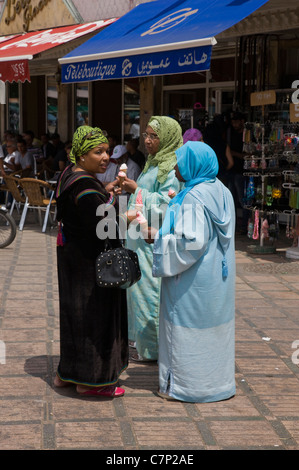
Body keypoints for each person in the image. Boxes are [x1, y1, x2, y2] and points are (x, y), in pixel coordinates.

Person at [149, 141, 236, 403]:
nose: (175, 168)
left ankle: (186, 388)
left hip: (192, 283)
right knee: (214, 333)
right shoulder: (220, 190)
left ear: (193, 165)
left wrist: (157, 240)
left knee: (186, 333)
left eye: (179, 162)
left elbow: (192, 242)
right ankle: (216, 384)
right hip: (217, 280)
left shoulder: (193, 198)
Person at [53, 125, 128, 397]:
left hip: (72, 260)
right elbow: (103, 225)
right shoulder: (85, 186)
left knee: (74, 317)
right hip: (90, 265)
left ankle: (67, 374)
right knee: (94, 319)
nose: (106, 157)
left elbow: (84, 209)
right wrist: (127, 217)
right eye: (98, 152)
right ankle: (91, 382)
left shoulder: (70, 174)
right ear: (81, 156)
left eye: (107, 150)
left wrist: (104, 192)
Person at [120, 116, 183, 362]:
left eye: (153, 136)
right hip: (138, 238)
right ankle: (141, 343)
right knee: (136, 292)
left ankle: (153, 349)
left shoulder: (172, 167)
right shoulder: (153, 163)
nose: (147, 140)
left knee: (149, 293)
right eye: (145, 134)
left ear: (167, 138)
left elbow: (168, 205)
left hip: (152, 240)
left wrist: (136, 190)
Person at [227, 112, 248, 233]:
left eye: (236, 122)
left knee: (243, 199)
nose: (234, 124)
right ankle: (233, 225)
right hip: (232, 171)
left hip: (242, 171)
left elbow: (248, 155)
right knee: (231, 200)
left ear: (242, 121)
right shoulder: (230, 132)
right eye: (233, 122)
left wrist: (234, 154)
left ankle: (245, 225)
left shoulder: (247, 135)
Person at [203, 120, 234, 186]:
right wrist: (223, 169)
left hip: (207, 176)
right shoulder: (224, 145)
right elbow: (231, 163)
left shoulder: (204, 145)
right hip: (221, 176)